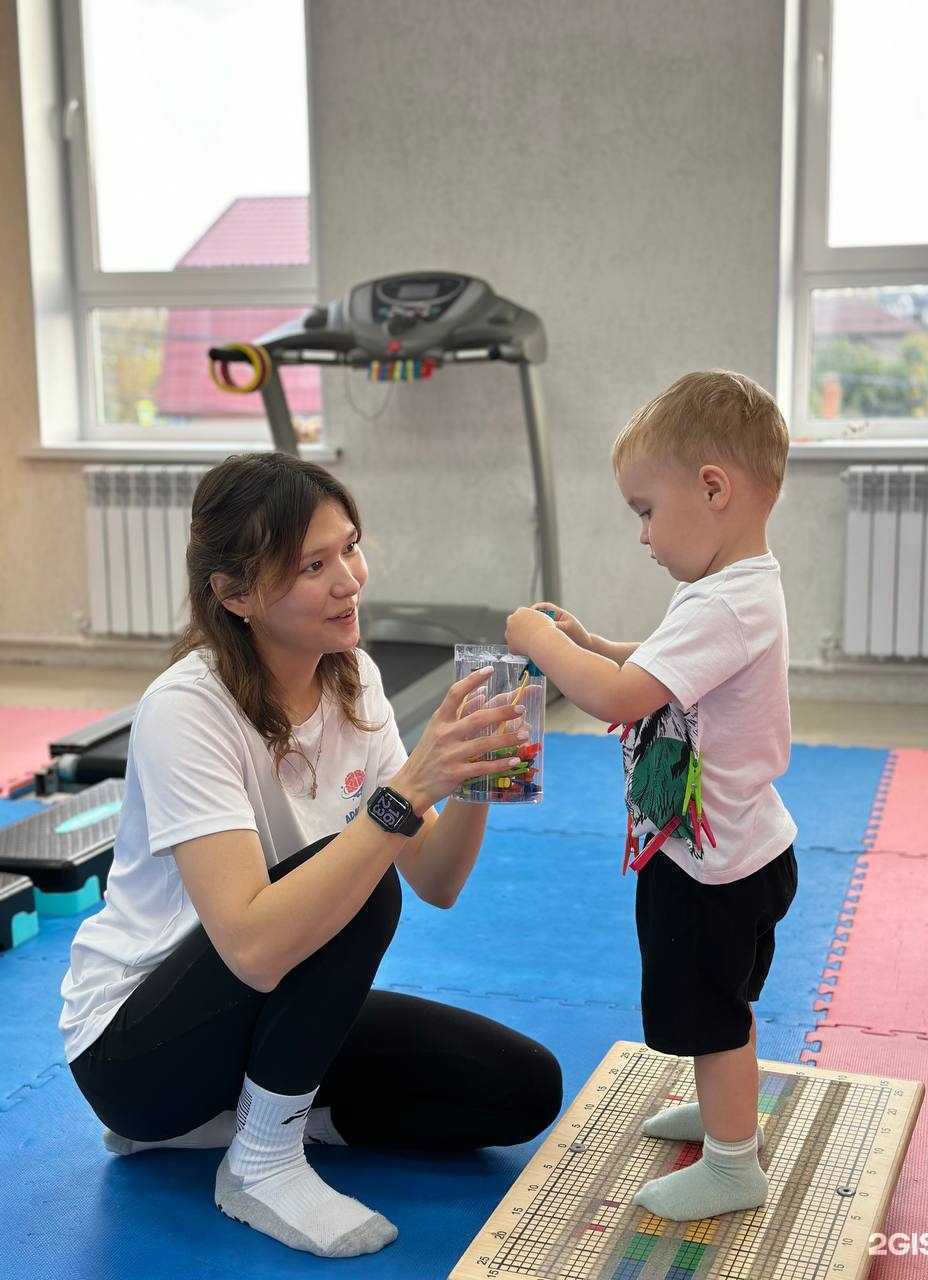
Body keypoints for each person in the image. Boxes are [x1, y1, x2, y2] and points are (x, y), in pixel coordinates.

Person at [59, 452, 562, 1260]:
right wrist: (407, 791)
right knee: (361, 878)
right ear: (236, 595)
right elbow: (253, 947)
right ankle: (258, 1161)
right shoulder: (186, 709)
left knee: (518, 1089)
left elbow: (434, 880)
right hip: (137, 1052)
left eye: (351, 549)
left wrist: (473, 776)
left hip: (267, 1004)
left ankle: (241, 1119)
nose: (350, 581)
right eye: (313, 567)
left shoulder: (352, 677)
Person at [505, 369, 798, 1222]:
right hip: (738, 846)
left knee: (712, 1012)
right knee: (715, 1003)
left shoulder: (725, 603)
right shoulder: (728, 591)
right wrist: (598, 642)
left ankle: (734, 1163)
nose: (640, 535)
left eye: (644, 509)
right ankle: (720, 1111)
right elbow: (663, 664)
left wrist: (536, 641)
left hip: (713, 870)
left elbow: (620, 696)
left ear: (713, 488)